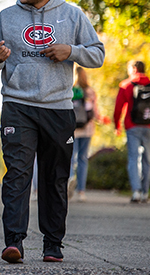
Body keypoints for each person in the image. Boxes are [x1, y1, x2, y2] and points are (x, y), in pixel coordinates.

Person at [0, 0, 105, 264]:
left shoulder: (72, 15)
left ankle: (53, 244)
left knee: (54, 178)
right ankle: (14, 241)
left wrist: (71, 51)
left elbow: (98, 53)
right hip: (17, 105)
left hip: (57, 108)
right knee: (18, 174)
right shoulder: (7, 16)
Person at [113, 60, 150, 203]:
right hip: (149, 126)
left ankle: (136, 191)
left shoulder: (126, 85)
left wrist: (117, 125)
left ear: (133, 69)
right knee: (147, 159)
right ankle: (145, 192)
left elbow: (118, 108)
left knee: (133, 158)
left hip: (132, 126)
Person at [68, 66, 97, 202]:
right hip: (87, 129)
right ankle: (81, 191)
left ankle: (68, 181)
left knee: (70, 158)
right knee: (83, 159)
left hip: (72, 129)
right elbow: (94, 112)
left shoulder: (69, 91)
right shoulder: (90, 92)